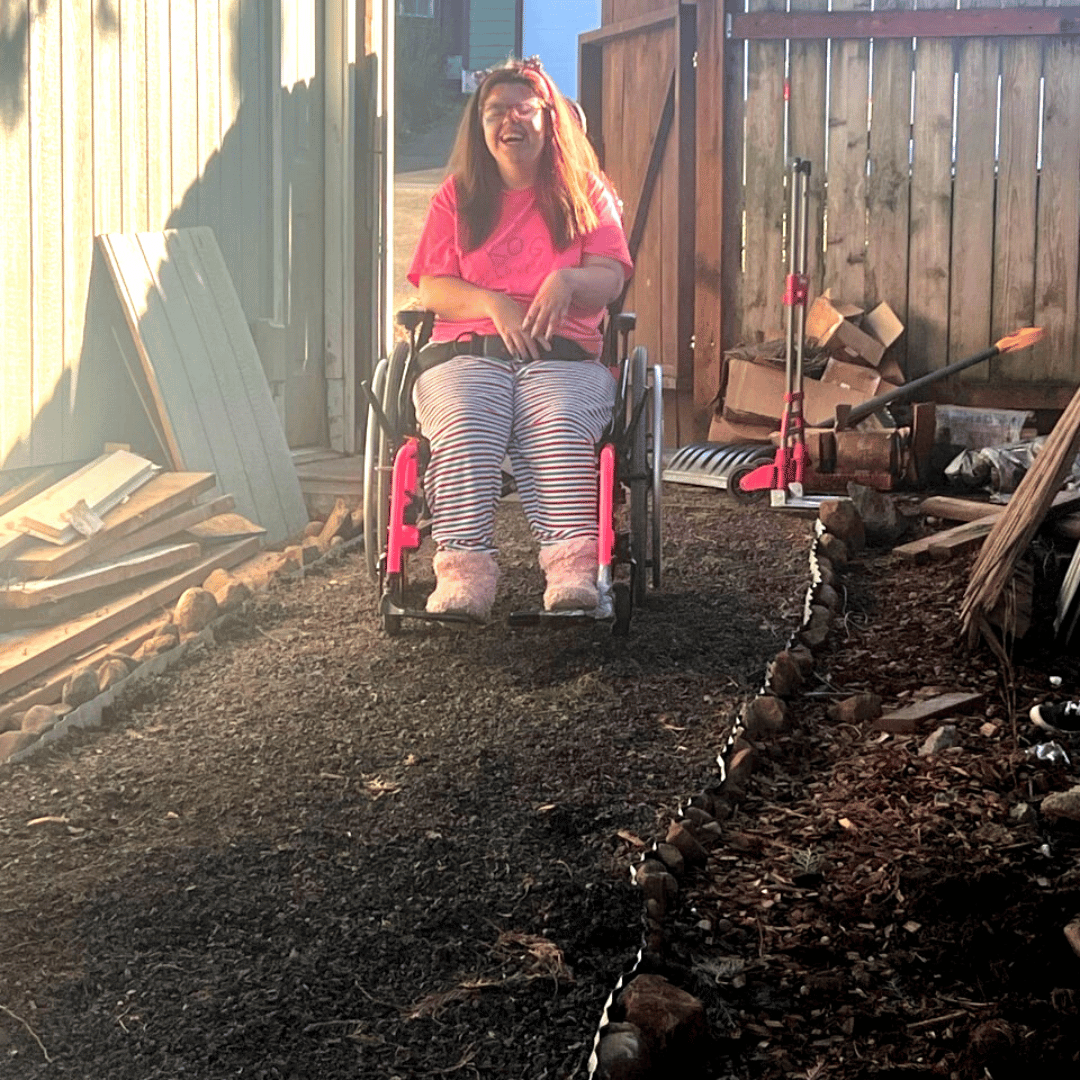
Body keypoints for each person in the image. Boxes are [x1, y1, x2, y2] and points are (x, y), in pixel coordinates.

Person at [406, 57, 633, 622]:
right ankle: (462, 575)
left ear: (549, 118)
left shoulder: (586, 194)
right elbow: (432, 286)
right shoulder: (457, 198)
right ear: (480, 127)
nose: (510, 121)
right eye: (495, 112)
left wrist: (569, 279)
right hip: (468, 351)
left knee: (555, 420)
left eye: (524, 109)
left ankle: (573, 571)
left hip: (562, 357)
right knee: (463, 417)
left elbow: (612, 276)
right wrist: (490, 302)